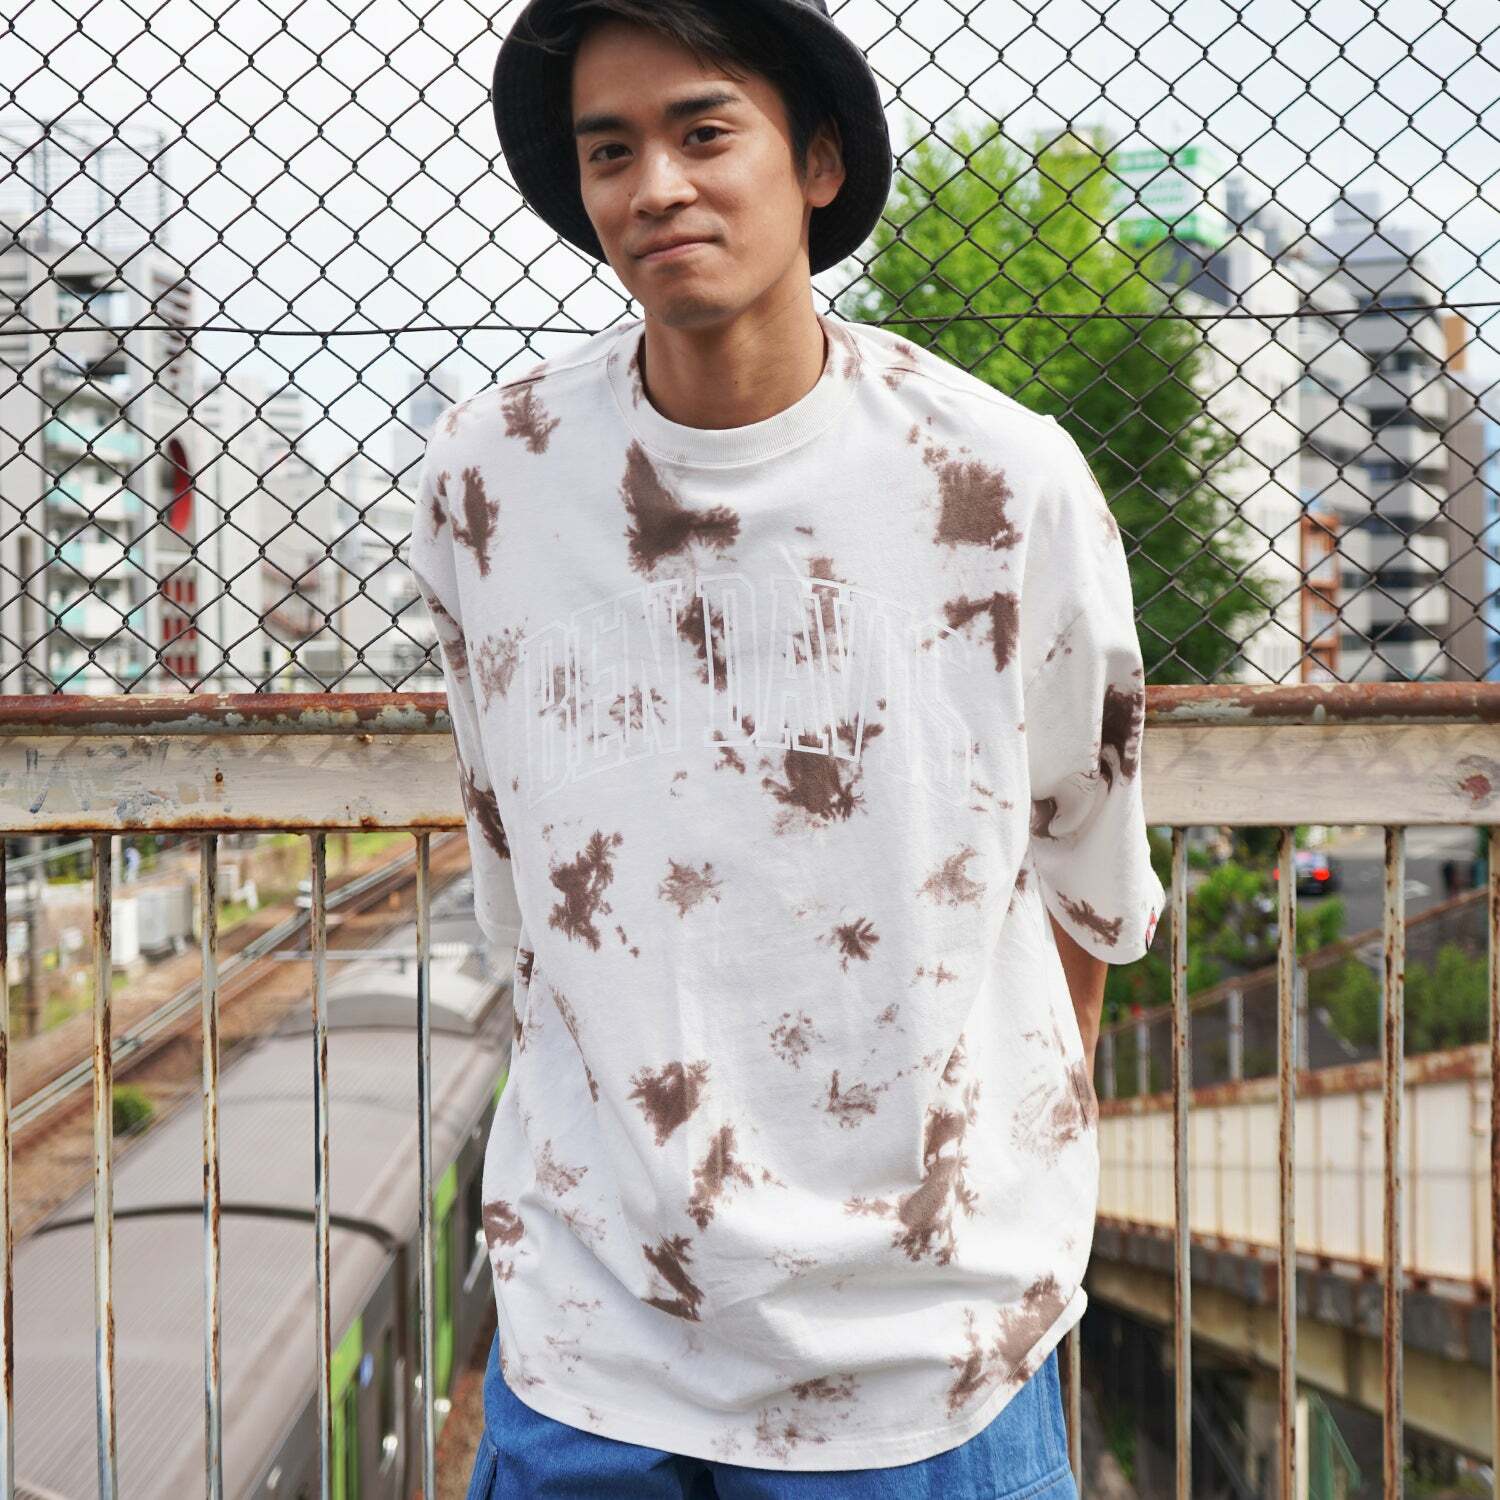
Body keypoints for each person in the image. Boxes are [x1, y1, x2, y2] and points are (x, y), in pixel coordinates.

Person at [406, 0, 1165, 1494]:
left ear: (818, 163)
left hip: (923, 1361)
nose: (656, 187)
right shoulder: (490, 479)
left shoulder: (997, 482)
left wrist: (975, 1193)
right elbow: (517, 871)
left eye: (704, 131)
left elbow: (1087, 872)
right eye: (609, 150)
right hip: (592, 1345)